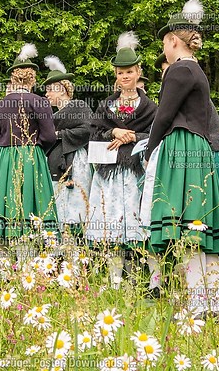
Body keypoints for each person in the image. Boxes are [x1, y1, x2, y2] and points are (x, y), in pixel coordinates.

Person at [141, 0, 219, 316]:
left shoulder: (178, 69)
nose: (163, 50)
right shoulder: (197, 70)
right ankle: (215, 302)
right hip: (200, 149)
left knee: (189, 229)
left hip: (182, 147)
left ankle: (197, 304)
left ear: (172, 40)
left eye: (164, 44)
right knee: (201, 227)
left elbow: (163, 117)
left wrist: (151, 149)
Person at [0, 43, 57, 288]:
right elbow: (50, 136)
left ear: (12, 78)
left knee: (1, 212)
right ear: (32, 79)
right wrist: (34, 147)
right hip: (30, 160)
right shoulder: (40, 102)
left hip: (3, 161)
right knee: (28, 212)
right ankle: (27, 275)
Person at [86, 31, 157, 288]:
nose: (124, 76)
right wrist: (113, 131)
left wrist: (133, 136)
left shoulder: (151, 108)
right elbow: (93, 132)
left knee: (141, 226)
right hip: (109, 175)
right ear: (116, 76)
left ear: (138, 73)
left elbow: (156, 135)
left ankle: (153, 283)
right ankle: (117, 281)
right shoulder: (106, 105)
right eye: (119, 72)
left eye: (129, 72)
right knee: (112, 227)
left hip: (137, 173)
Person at [43, 55, 93, 241]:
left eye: (50, 90)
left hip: (76, 163)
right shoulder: (51, 115)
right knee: (59, 212)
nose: (46, 94)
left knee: (76, 210)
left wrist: (58, 135)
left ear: (62, 89)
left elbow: (88, 129)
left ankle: (78, 255)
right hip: (56, 166)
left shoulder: (79, 106)